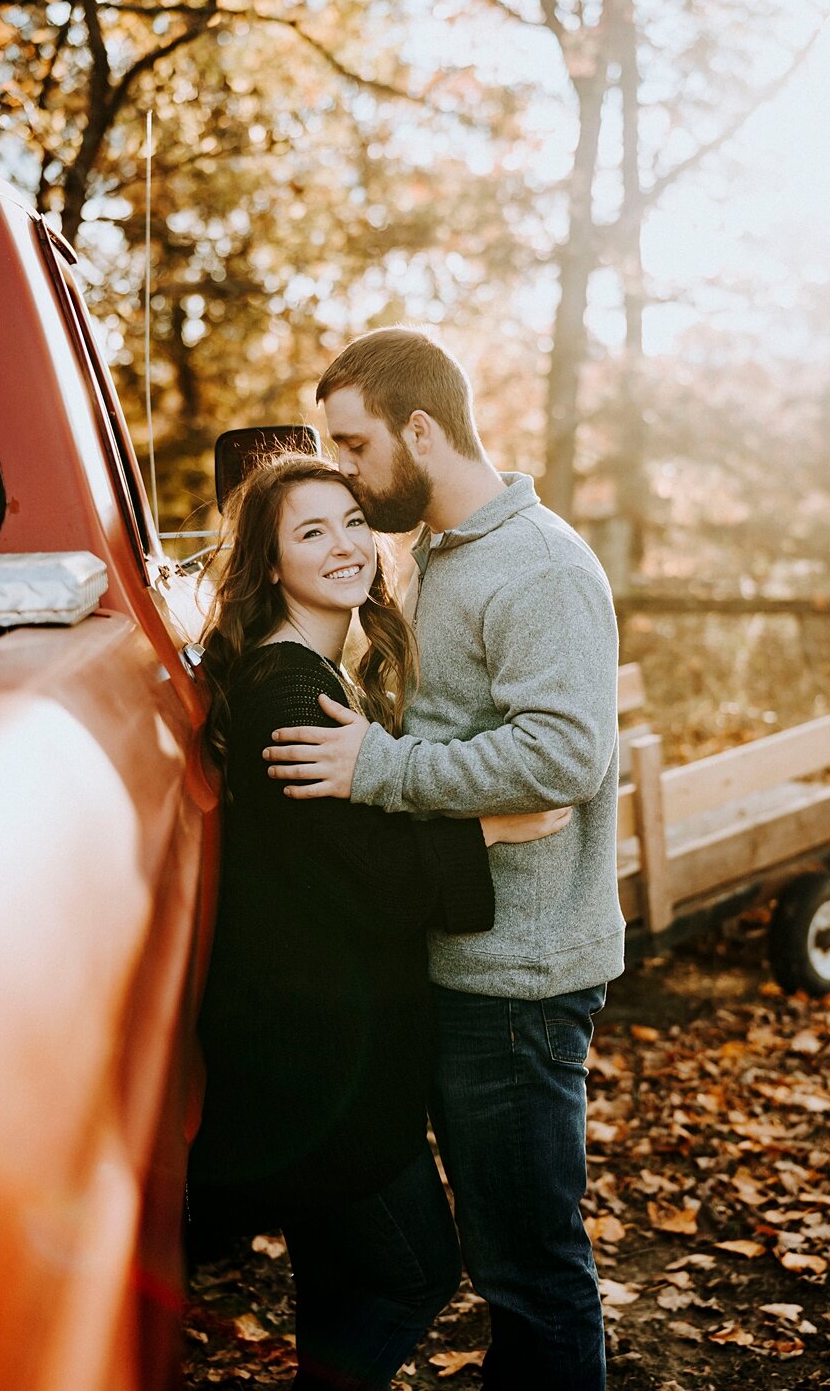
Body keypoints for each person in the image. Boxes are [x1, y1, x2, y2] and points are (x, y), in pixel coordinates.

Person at [264, 328, 625, 1391]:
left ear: (419, 429)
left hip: (517, 983)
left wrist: (379, 768)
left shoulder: (540, 565)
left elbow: (563, 754)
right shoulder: (439, 554)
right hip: (457, 962)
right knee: (494, 1268)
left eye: (354, 445)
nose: (343, 468)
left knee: (530, 1274)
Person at [186, 452, 570, 1391]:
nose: (347, 544)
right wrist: (492, 825)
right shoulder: (285, 688)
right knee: (413, 1272)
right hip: (318, 1058)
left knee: (341, 1281)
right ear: (269, 565)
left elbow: (337, 855)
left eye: (354, 520)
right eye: (311, 532)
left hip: (321, 1044)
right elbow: (358, 879)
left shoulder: (314, 669)